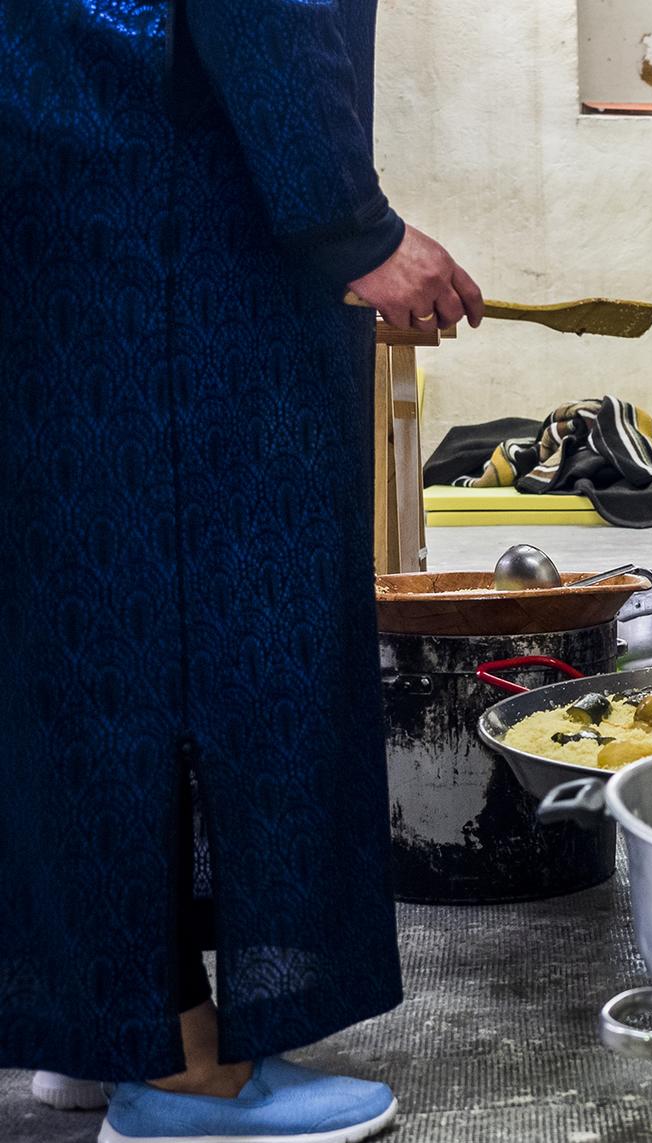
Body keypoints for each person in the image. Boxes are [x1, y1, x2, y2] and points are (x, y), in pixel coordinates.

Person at [0, 2, 480, 1140]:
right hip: (172, 239)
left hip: (60, 194)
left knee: (74, 625)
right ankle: (175, 1074)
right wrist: (352, 226)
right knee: (212, 630)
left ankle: (112, 1012)